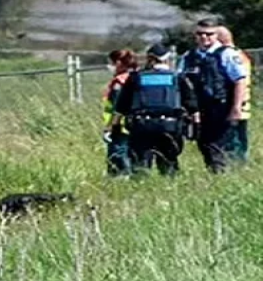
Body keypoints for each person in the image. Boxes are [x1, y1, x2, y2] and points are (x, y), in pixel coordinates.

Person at [114, 44, 199, 175]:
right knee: (169, 162)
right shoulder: (177, 77)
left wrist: (114, 126)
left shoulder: (136, 77)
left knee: (140, 163)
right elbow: (192, 105)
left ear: (149, 58)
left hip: (141, 126)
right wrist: (196, 126)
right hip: (170, 126)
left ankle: (142, 188)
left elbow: (122, 105)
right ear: (168, 59)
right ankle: (170, 187)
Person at [178, 19, 248, 173]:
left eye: (209, 34)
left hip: (221, 108)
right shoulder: (188, 57)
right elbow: (180, 82)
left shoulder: (227, 54)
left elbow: (240, 80)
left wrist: (236, 108)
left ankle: (220, 173)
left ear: (217, 35)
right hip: (196, 111)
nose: (204, 37)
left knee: (218, 145)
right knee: (203, 144)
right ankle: (215, 171)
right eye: (200, 34)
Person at [216, 25, 252, 162]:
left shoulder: (230, 56)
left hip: (234, 106)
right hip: (242, 106)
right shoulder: (240, 54)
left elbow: (238, 82)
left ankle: (236, 168)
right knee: (239, 142)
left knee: (233, 144)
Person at [102, 49, 139, 176]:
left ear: (118, 63)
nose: (110, 67)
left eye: (111, 63)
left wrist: (110, 127)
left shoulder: (119, 82)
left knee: (118, 156)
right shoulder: (136, 77)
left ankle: (120, 179)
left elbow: (117, 106)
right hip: (134, 125)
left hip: (119, 126)